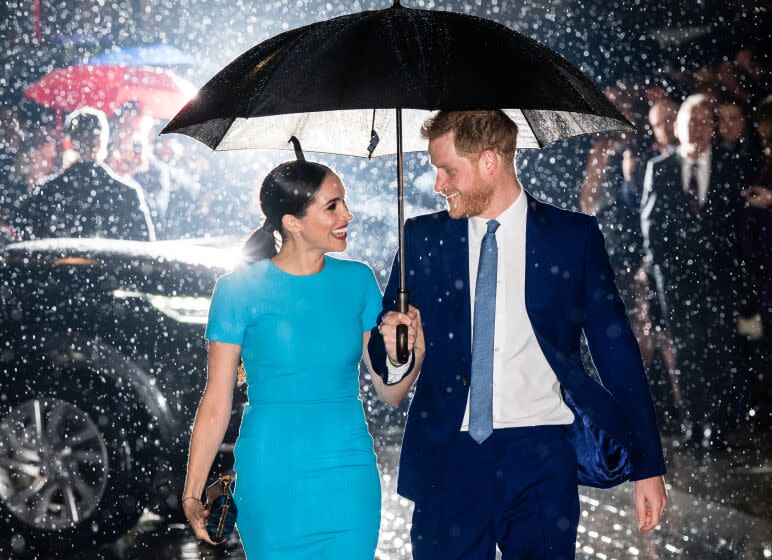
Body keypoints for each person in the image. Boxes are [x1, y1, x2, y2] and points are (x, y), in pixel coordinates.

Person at [368, 110, 667, 560]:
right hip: (448, 457)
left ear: (490, 161)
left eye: (448, 169)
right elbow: (385, 348)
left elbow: (617, 352)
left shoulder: (572, 237)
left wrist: (647, 465)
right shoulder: (422, 238)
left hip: (543, 456)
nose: (437, 184)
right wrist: (395, 352)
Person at [181, 154, 424, 558]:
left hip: (349, 476)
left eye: (344, 201)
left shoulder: (358, 280)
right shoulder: (237, 290)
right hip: (271, 474)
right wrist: (192, 492)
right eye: (332, 206)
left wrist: (411, 352)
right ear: (292, 222)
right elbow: (217, 399)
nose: (348, 213)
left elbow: (390, 393)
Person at [641, 94, 753, 449]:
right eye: (693, 120)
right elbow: (650, 228)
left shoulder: (730, 167)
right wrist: (661, 274)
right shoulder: (659, 168)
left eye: (706, 121)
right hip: (677, 282)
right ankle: (692, 424)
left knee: (718, 352)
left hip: (720, 280)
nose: (699, 128)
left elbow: (739, 229)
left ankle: (715, 429)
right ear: (678, 126)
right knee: (686, 353)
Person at [19, 107, 155, 241]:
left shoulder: (47, 191)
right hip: (111, 263)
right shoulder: (126, 193)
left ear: (71, 143)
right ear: (103, 141)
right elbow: (144, 248)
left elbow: (29, 243)